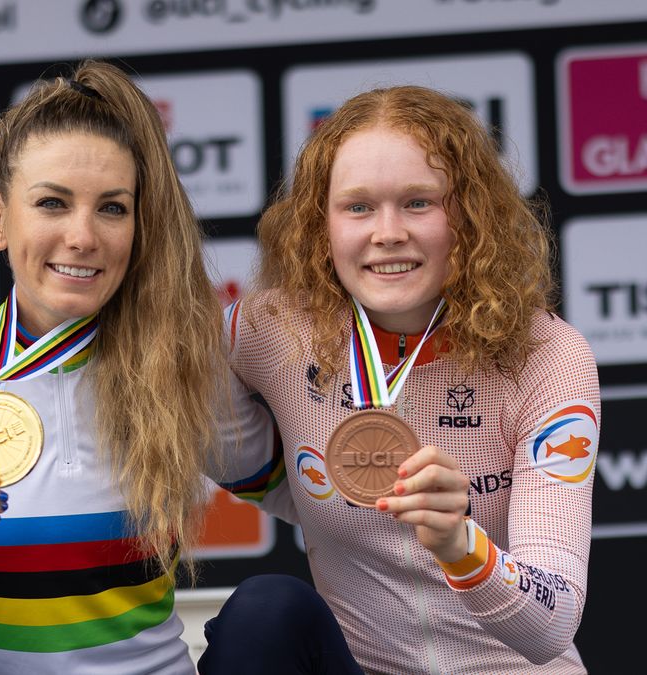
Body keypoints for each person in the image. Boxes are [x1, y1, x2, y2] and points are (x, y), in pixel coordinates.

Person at [0, 60, 340, 674]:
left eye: (112, 209)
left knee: (274, 607)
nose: (83, 236)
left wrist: (406, 477)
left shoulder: (178, 366)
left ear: (138, 226)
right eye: (52, 203)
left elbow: (314, 502)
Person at [213, 85, 599, 673]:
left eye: (419, 202)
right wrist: (277, 480)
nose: (387, 232)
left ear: (470, 215)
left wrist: (460, 544)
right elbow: (158, 364)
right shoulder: (275, 332)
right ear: (321, 226)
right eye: (358, 207)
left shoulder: (547, 356)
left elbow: (552, 624)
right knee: (266, 610)